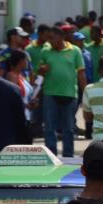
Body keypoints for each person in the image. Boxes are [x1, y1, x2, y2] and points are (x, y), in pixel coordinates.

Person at [38, 26, 87, 157]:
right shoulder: (45, 51)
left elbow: (81, 74)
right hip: (50, 94)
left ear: (60, 37)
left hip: (70, 94)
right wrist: (41, 70)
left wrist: (86, 94)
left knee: (68, 129)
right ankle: (51, 156)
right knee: (49, 128)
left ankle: (68, 156)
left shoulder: (75, 51)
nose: (48, 41)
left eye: (51, 38)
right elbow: (39, 73)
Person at [4, 50, 36, 123]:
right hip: (17, 117)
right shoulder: (12, 76)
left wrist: (33, 102)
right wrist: (26, 105)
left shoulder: (21, 76)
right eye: (26, 60)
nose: (27, 62)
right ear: (21, 61)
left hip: (26, 116)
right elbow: (13, 97)